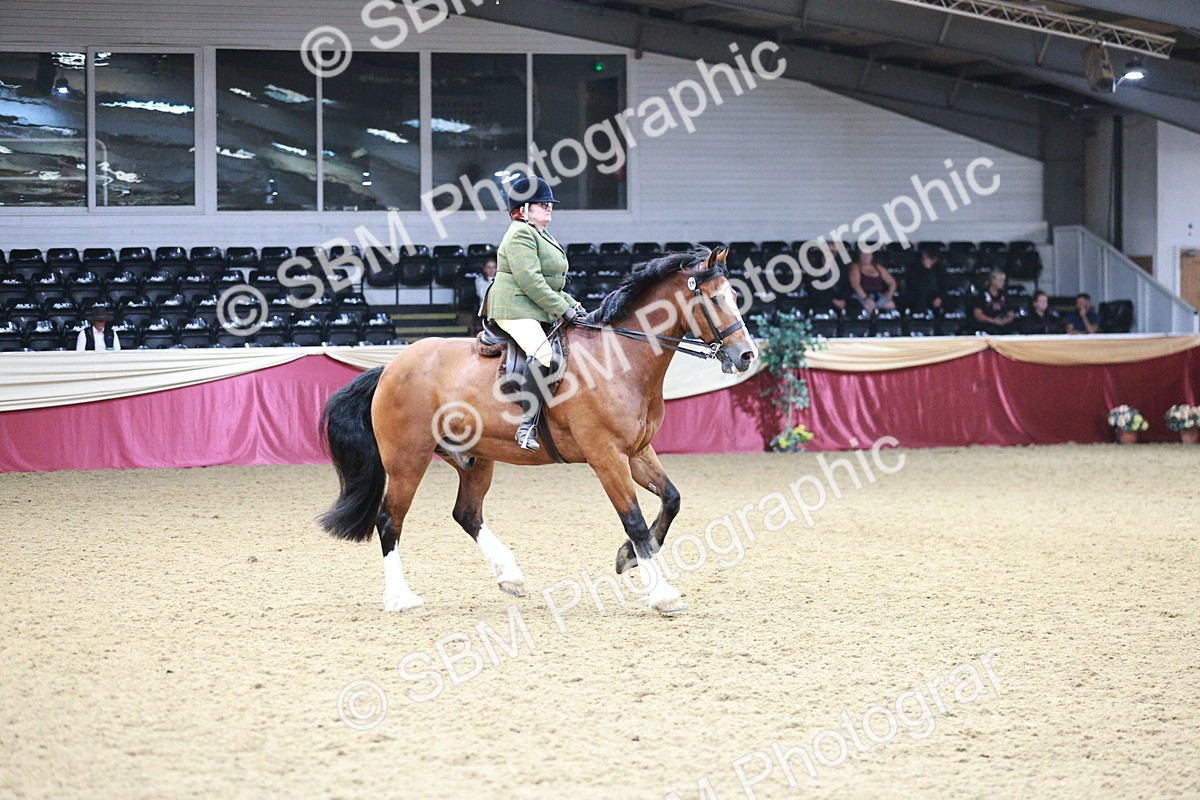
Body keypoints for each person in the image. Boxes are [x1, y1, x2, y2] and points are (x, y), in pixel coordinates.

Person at [480, 175, 584, 451]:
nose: (549, 207)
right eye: (541, 204)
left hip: (533, 305)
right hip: (514, 307)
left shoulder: (541, 233)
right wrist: (562, 309)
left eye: (549, 203)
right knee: (544, 354)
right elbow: (532, 281)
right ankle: (526, 426)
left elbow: (552, 284)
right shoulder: (520, 233)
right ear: (523, 209)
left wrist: (573, 306)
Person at [848, 248, 896, 313]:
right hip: (861, 296)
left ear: (871, 256)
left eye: (868, 254)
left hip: (879, 295)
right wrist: (866, 298)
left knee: (890, 305)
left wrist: (889, 295)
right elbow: (855, 285)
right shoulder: (855, 267)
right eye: (863, 254)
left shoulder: (878, 267)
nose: (866, 256)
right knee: (869, 307)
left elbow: (892, 282)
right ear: (859, 256)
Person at [971, 270, 1015, 334]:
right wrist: (993, 321)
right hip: (987, 325)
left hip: (1003, 324)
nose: (1002, 282)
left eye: (1003, 280)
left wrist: (1006, 320)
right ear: (992, 280)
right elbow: (978, 314)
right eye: (1000, 280)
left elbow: (1010, 312)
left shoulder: (1004, 294)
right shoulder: (981, 295)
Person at [904, 247, 944, 314]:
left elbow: (944, 285)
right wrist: (927, 270)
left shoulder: (939, 269)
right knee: (920, 295)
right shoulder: (913, 268)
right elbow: (916, 285)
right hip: (917, 295)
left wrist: (940, 298)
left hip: (934, 295)